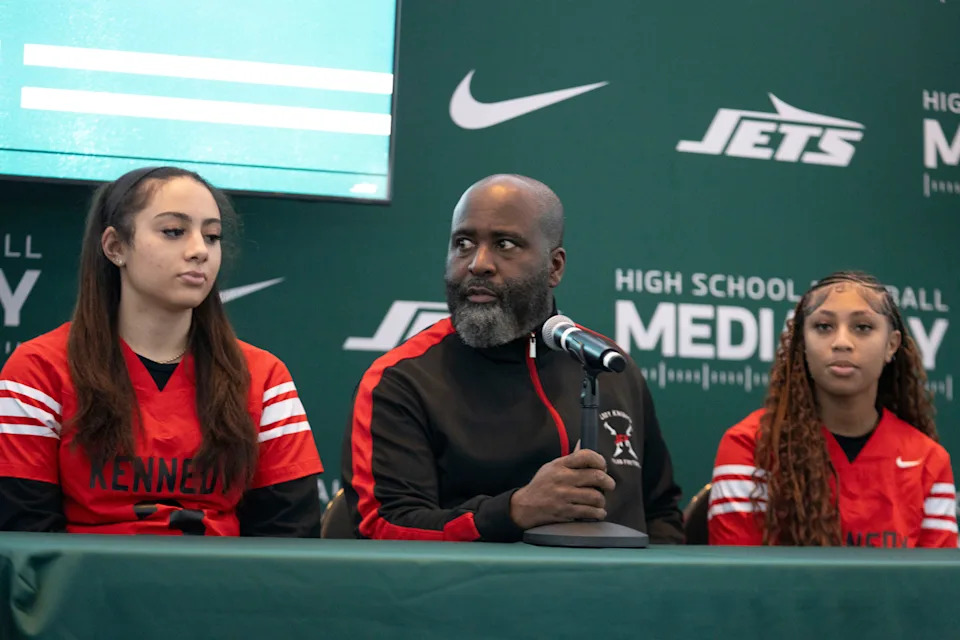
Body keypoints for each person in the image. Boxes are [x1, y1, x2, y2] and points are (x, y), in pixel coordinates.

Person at [341, 174, 683, 542]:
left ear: (554, 267)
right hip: (476, 581)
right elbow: (386, 525)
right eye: (463, 243)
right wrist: (513, 511)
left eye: (504, 244)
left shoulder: (608, 364)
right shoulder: (403, 379)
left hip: (616, 579)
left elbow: (660, 514)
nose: (478, 264)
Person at [0, 166, 324, 536]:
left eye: (212, 236)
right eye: (173, 231)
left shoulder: (264, 377)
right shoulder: (38, 371)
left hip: (224, 574)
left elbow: (289, 539)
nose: (199, 251)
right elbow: (25, 541)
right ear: (115, 246)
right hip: (84, 576)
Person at [708, 271, 957, 547]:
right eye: (824, 326)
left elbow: (937, 575)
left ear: (891, 345)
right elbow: (738, 571)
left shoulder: (928, 461)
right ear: (802, 343)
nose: (841, 342)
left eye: (863, 327)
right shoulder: (750, 445)